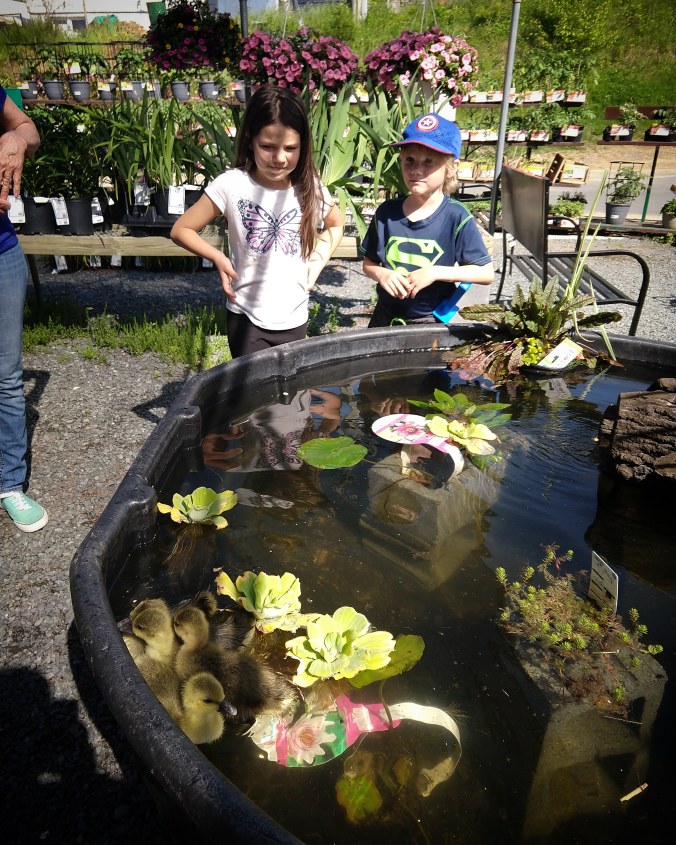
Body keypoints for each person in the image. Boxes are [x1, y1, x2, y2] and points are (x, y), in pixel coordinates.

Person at [171, 85, 344, 358]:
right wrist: (218, 257)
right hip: (246, 320)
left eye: (290, 148)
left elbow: (336, 224)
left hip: (295, 318)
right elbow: (181, 229)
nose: (279, 158)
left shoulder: (310, 187)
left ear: (303, 146)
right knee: (253, 386)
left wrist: (317, 263)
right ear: (250, 140)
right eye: (268, 147)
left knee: (290, 386)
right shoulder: (231, 185)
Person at [360, 112, 494, 327]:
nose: (416, 170)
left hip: (428, 322)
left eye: (429, 161)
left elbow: (485, 273)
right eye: (409, 160)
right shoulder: (386, 213)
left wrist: (434, 272)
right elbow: (369, 263)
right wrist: (382, 274)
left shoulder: (456, 216)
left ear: (452, 168)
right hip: (384, 319)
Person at [0, 86, 47, 533]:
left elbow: (29, 130)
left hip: (2, 254)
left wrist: (17, 136)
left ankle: (9, 483)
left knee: (6, 376)